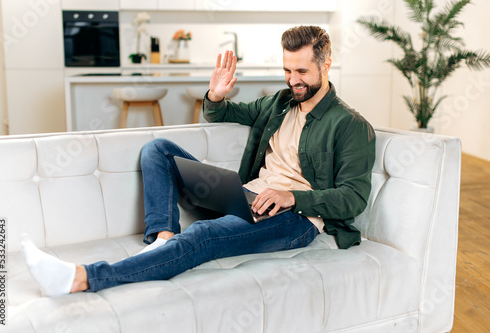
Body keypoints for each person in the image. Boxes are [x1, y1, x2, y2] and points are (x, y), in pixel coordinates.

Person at [21, 25, 376, 297]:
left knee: (204, 234)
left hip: (294, 218)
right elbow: (223, 112)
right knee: (157, 148)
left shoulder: (350, 125)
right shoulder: (280, 102)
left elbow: (354, 198)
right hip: (245, 196)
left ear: (326, 63)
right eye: (287, 70)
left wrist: (292, 197)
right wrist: (215, 96)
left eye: (302, 72)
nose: (293, 80)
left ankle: (81, 278)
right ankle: (163, 237)